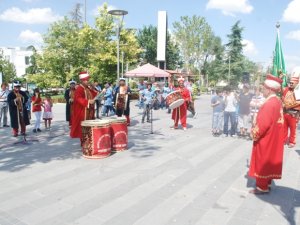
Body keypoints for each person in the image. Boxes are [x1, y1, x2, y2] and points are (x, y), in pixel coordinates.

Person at [248, 74, 285, 194]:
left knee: (263, 159)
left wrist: (253, 132)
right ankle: (266, 183)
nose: (262, 90)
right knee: (269, 159)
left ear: (269, 90)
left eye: (264, 88)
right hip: (274, 136)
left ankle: (262, 187)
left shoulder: (269, 104)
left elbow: (263, 125)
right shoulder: (277, 100)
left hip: (266, 138)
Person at [70, 71, 97, 140]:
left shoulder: (87, 88)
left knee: (89, 127)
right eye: (86, 80)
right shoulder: (79, 89)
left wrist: (93, 88)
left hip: (89, 110)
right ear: (82, 81)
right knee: (83, 128)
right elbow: (78, 99)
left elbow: (94, 95)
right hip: (83, 111)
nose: (88, 81)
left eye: (88, 80)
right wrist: (88, 101)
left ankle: (89, 140)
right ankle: (84, 142)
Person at [282, 76, 300, 148]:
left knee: (293, 129)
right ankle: (284, 140)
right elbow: (282, 96)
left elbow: (298, 103)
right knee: (284, 128)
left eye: (292, 83)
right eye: (290, 83)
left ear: (296, 83)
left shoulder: (298, 91)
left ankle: (292, 141)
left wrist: (288, 105)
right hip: (285, 112)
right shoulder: (286, 89)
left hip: (293, 114)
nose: (291, 84)